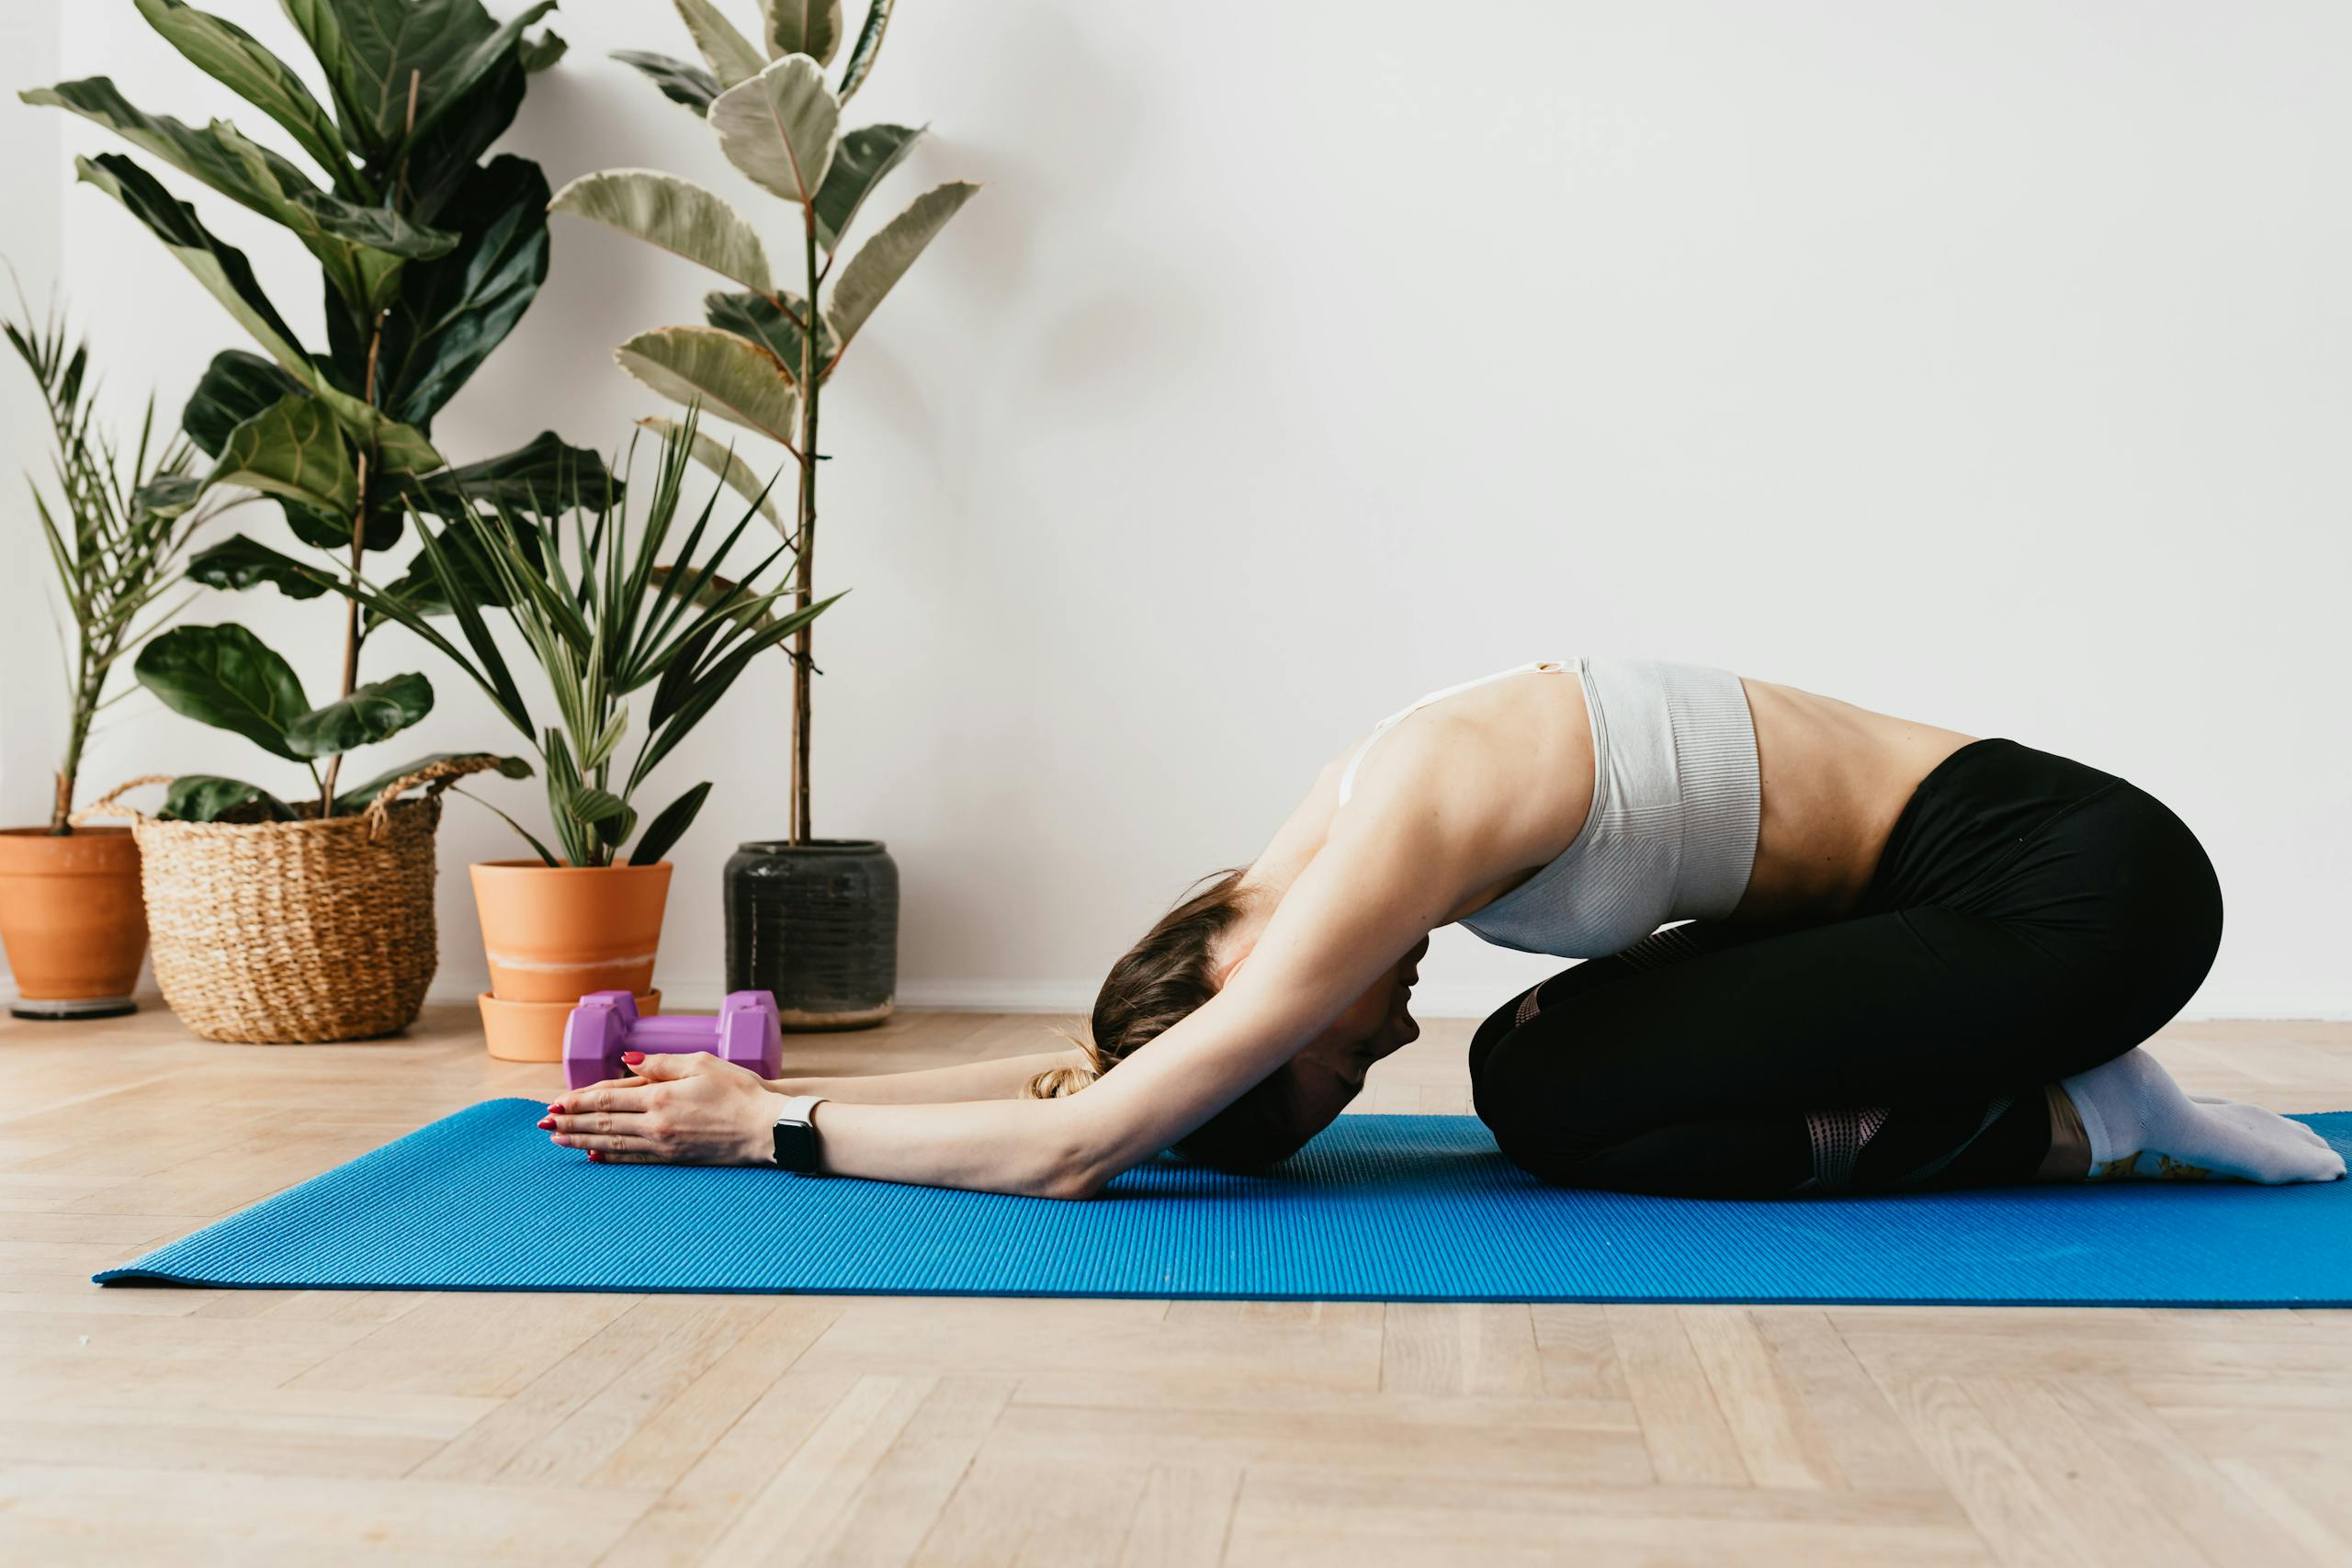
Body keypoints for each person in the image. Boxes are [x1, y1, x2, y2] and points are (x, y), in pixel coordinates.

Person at [543, 658, 2343, 1196]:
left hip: (2075, 888)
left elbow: (1084, 1139)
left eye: (1319, 1058)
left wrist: (759, 1121)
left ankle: (2106, 1103)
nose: (1371, 1034)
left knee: (1543, 1091)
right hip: (1963, 904)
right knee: (1544, 1062)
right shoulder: (1321, 825)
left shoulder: (1382, 831)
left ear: (1231, 980)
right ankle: (2064, 1099)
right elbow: (1090, 1074)